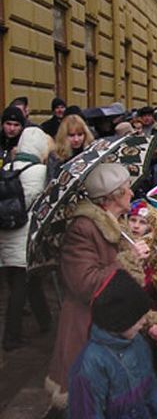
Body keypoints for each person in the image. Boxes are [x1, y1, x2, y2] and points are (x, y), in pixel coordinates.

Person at [46, 164, 151, 412]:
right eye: (127, 189)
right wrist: (127, 260)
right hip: (89, 329)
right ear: (113, 196)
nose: (131, 193)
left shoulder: (117, 224)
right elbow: (84, 284)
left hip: (114, 326)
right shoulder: (83, 228)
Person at [68, 269, 157, 418]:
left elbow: (152, 393)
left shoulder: (139, 343)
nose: (144, 322)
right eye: (137, 317)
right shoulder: (90, 365)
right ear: (120, 320)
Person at [0, 127, 52, 351]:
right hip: (27, 235)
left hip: (7, 231)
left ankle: (45, 321)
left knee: (28, 281)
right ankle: (10, 337)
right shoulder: (41, 171)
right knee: (21, 287)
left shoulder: (7, 167)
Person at [46, 114, 94, 181]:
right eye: (71, 135)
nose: (76, 139)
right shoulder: (55, 156)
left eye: (80, 134)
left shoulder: (92, 153)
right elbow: (51, 182)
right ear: (64, 136)